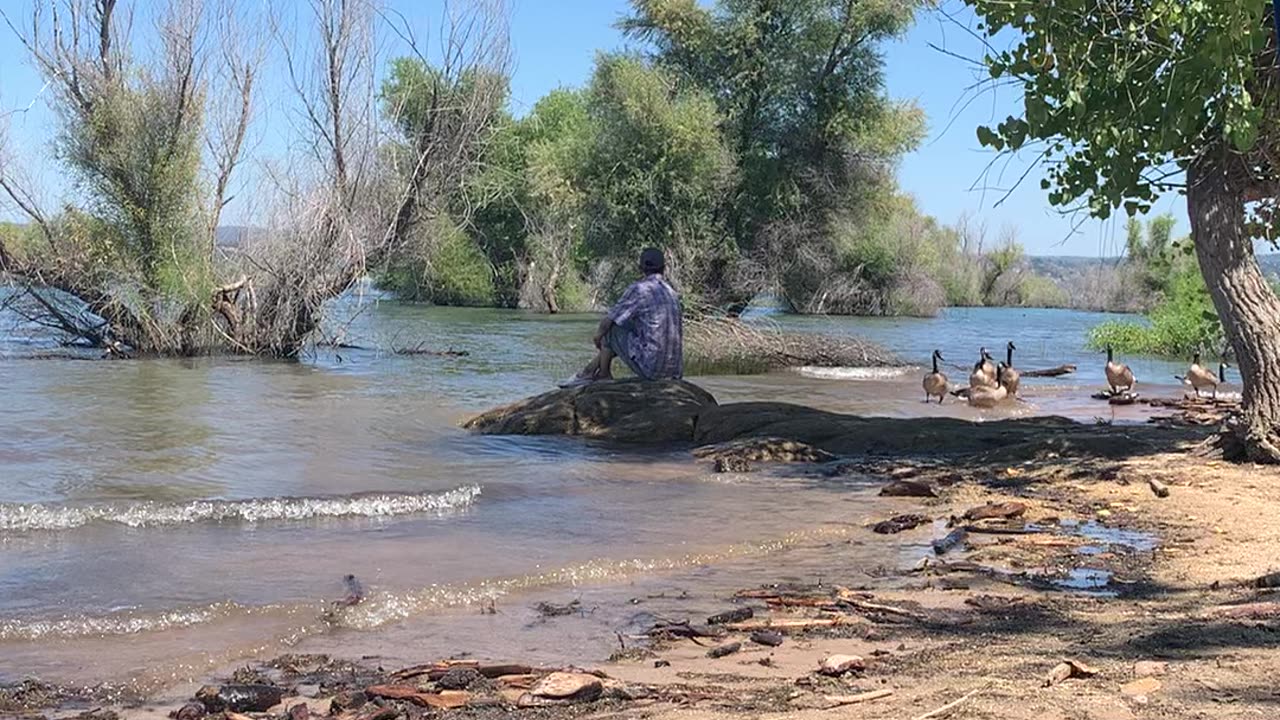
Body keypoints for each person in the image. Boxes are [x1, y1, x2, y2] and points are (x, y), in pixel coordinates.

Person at [560, 247, 683, 387]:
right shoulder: (671, 292)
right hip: (674, 372)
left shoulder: (640, 289)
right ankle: (589, 371)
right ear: (664, 268)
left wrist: (597, 337)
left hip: (652, 371)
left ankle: (602, 375)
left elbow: (609, 321)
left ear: (640, 267)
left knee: (611, 328)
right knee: (625, 325)